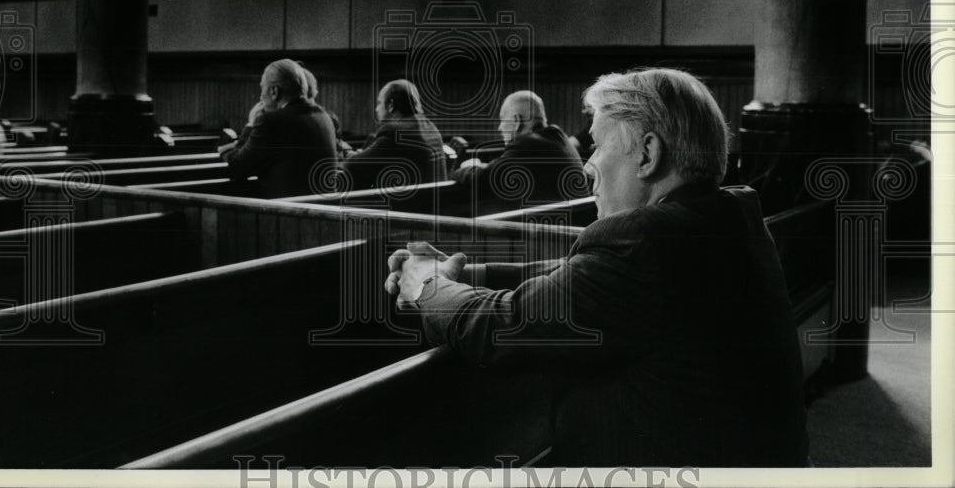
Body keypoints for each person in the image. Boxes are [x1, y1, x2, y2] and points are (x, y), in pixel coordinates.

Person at [386, 69, 808, 466]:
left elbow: (500, 327)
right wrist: (463, 272)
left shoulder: (647, 243)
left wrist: (425, 285)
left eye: (597, 145)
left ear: (647, 154)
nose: (587, 164)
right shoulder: (723, 218)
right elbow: (573, 272)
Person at [218, 58, 337, 198]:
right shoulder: (324, 117)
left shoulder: (271, 121)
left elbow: (238, 167)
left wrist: (251, 124)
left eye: (262, 88)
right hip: (321, 209)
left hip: (284, 214)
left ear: (274, 91)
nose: (260, 96)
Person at [453, 90, 588, 205]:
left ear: (517, 121)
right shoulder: (558, 137)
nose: (500, 128)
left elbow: (481, 181)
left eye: (503, 120)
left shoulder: (527, 145)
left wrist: (468, 167)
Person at [343, 80, 446, 190]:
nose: (376, 109)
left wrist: (352, 156)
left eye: (379, 103)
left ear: (391, 105)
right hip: (435, 199)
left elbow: (353, 166)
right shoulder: (430, 126)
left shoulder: (393, 131)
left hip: (411, 204)